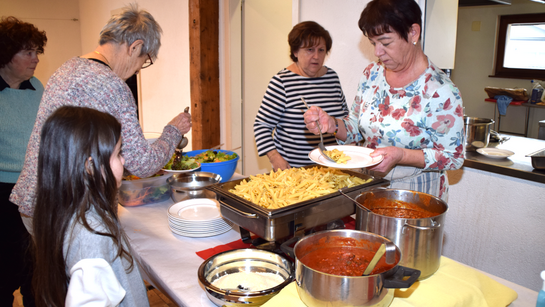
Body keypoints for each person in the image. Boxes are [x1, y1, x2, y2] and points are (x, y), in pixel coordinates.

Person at [11, 4, 192, 220]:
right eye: (143, 62)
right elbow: (143, 164)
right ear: (135, 47)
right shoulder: (112, 85)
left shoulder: (65, 69)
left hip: (36, 201)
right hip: (68, 212)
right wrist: (174, 130)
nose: (136, 70)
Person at [303, 0, 465, 201]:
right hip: (370, 187)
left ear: (413, 33)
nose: (377, 52)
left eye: (386, 43)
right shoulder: (372, 74)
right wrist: (332, 124)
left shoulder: (440, 90)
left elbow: (453, 157)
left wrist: (402, 155)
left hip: (417, 195)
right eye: (373, 43)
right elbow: (354, 126)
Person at [32, 106, 149, 306]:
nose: (124, 160)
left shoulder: (68, 210)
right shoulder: (91, 234)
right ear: (90, 167)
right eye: (118, 153)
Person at [254, 21, 349, 170]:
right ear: (296, 52)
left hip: (332, 169)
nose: (316, 56)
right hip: (294, 173)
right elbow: (261, 126)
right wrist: (275, 158)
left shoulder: (332, 77)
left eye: (321, 50)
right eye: (310, 49)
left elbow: (345, 119)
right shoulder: (282, 82)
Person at [0, 16, 47, 307]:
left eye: (37, 52)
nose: (36, 59)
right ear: (5, 55)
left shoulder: (36, 87)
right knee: (5, 271)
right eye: (28, 52)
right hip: (4, 195)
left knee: (38, 270)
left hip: (37, 189)